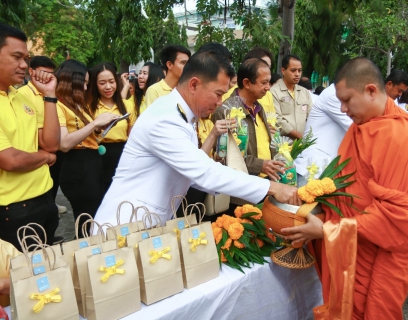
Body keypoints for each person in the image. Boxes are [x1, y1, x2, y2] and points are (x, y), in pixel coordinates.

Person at [282, 57, 408, 319]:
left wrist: (329, 230)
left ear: (371, 90)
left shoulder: (400, 135)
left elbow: (400, 220)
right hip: (349, 248)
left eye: (347, 100)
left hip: (379, 256)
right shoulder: (360, 129)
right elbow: (344, 186)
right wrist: (317, 212)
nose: (342, 108)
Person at [94, 51, 300, 227]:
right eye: (218, 94)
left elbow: (197, 175)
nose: (221, 103)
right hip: (123, 227)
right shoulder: (165, 119)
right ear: (194, 84)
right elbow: (205, 173)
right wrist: (273, 188)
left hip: (148, 225)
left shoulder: (182, 116)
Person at [0, 23, 60, 250]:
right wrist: (45, 158)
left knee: (46, 275)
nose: (24, 65)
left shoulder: (21, 97)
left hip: (45, 198)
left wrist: (50, 95)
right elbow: (10, 160)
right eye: (17, 57)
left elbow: (52, 144)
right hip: (13, 209)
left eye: (26, 58)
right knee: (22, 281)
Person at [55, 60, 119, 236]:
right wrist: (95, 123)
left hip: (91, 163)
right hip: (77, 165)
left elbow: (88, 136)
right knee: (86, 221)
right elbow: (65, 143)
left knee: (93, 218)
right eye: (83, 83)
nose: (85, 88)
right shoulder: (57, 105)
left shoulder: (77, 105)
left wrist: (101, 127)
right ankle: (86, 257)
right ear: (71, 81)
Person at [212, 58, 280, 182]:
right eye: (264, 83)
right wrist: (260, 165)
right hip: (242, 185)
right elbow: (224, 156)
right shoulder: (225, 111)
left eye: (269, 83)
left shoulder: (259, 108)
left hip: (266, 180)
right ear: (247, 83)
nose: (268, 87)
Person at [17, 56, 67, 216]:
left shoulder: (50, 93)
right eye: (44, 72)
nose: (48, 77)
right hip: (38, 151)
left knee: (51, 189)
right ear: (31, 72)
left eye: (51, 74)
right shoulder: (22, 95)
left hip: (54, 148)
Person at [87, 62, 136, 193]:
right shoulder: (89, 106)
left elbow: (132, 135)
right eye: (102, 83)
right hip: (98, 156)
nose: (108, 87)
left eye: (111, 81)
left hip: (123, 155)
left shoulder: (127, 105)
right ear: (94, 84)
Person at [294, 83, 352, 177]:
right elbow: (356, 126)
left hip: (325, 166)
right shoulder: (333, 95)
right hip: (313, 166)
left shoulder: (342, 93)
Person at [270, 54, 313, 139]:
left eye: (299, 71)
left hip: (303, 143)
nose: (297, 74)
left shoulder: (305, 92)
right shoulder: (274, 92)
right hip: (283, 144)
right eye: (293, 70)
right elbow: (277, 118)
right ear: (283, 70)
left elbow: (311, 116)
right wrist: (298, 136)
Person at [223, 47, 276, 113]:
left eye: (268, 67)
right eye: (262, 65)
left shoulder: (268, 95)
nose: (268, 87)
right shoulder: (226, 98)